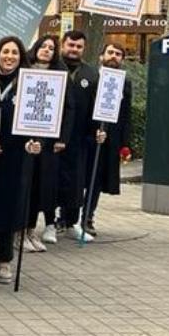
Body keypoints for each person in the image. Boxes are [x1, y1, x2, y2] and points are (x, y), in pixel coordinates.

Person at [0, 37, 42, 284]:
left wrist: (35, 143)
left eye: (14, 52)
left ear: (20, 56)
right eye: (5, 51)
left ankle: (4, 261)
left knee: (7, 208)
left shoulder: (30, 84)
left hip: (14, 158)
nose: (9, 56)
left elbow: (38, 122)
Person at [56, 30, 105, 241]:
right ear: (62, 45)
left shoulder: (92, 74)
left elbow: (98, 107)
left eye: (78, 47)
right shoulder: (52, 68)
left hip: (79, 138)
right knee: (51, 181)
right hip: (54, 137)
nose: (74, 50)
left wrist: (98, 130)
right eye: (71, 45)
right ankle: (51, 222)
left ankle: (71, 222)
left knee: (75, 183)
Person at [25, 35, 70, 249]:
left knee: (41, 185)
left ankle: (32, 229)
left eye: (51, 48)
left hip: (48, 140)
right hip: (24, 137)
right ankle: (20, 232)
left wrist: (62, 138)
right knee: (25, 184)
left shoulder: (61, 75)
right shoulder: (23, 69)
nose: (46, 50)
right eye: (43, 46)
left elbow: (69, 108)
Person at [84, 42, 132, 237]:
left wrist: (124, 143)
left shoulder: (125, 82)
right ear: (101, 56)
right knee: (78, 179)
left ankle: (87, 217)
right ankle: (65, 217)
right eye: (110, 52)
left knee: (95, 181)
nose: (113, 56)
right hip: (86, 135)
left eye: (118, 54)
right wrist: (92, 129)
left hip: (108, 139)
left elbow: (125, 114)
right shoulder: (91, 77)